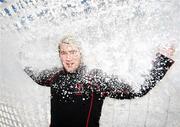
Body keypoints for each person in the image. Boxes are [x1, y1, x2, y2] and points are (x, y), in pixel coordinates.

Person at [24, 35, 175, 127]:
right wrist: (18, 61)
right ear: (59, 55)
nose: (68, 58)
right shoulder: (55, 75)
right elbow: (36, 76)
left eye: (73, 52)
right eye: (64, 53)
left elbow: (137, 90)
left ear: (81, 53)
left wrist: (162, 60)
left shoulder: (94, 78)